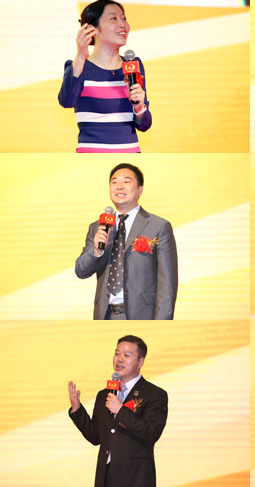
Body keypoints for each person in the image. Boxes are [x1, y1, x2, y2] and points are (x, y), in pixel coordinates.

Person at [75, 163, 178, 320]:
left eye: (126, 181)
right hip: (105, 316)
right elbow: (81, 271)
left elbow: (167, 282)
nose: (119, 187)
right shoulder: (98, 227)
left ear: (140, 190)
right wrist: (96, 251)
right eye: (114, 182)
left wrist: (162, 323)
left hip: (143, 316)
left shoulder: (158, 226)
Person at [68, 335, 168, 487]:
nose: (119, 359)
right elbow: (96, 437)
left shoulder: (154, 394)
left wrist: (121, 411)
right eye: (117, 354)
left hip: (135, 478)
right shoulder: (105, 394)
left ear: (140, 362)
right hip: (105, 478)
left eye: (126, 355)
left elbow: (151, 432)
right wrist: (77, 410)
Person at [58, 0, 152, 152]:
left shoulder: (133, 66)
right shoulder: (79, 66)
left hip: (131, 154)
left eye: (124, 18)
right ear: (91, 29)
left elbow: (144, 125)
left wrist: (139, 107)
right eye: (113, 18)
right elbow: (66, 101)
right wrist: (81, 55)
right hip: (92, 157)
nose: (123, 24)